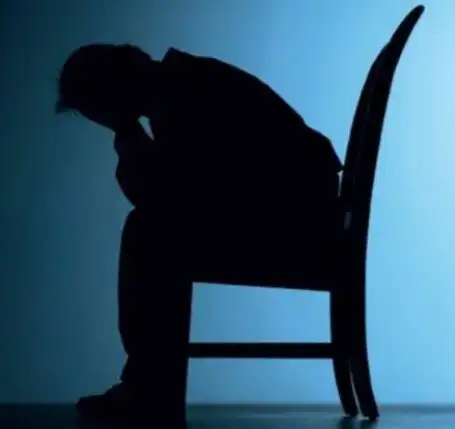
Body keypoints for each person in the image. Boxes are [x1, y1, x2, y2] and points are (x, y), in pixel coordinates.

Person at [56, 44, 342, 423]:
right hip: (299, 217)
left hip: (295, 227)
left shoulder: (189, 94)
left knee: (148, 234)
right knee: (151, 231)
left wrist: (127, 132)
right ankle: (148, 385)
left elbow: (163, 196)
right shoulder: (188, 84)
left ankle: (148, 388)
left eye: (94, 106)